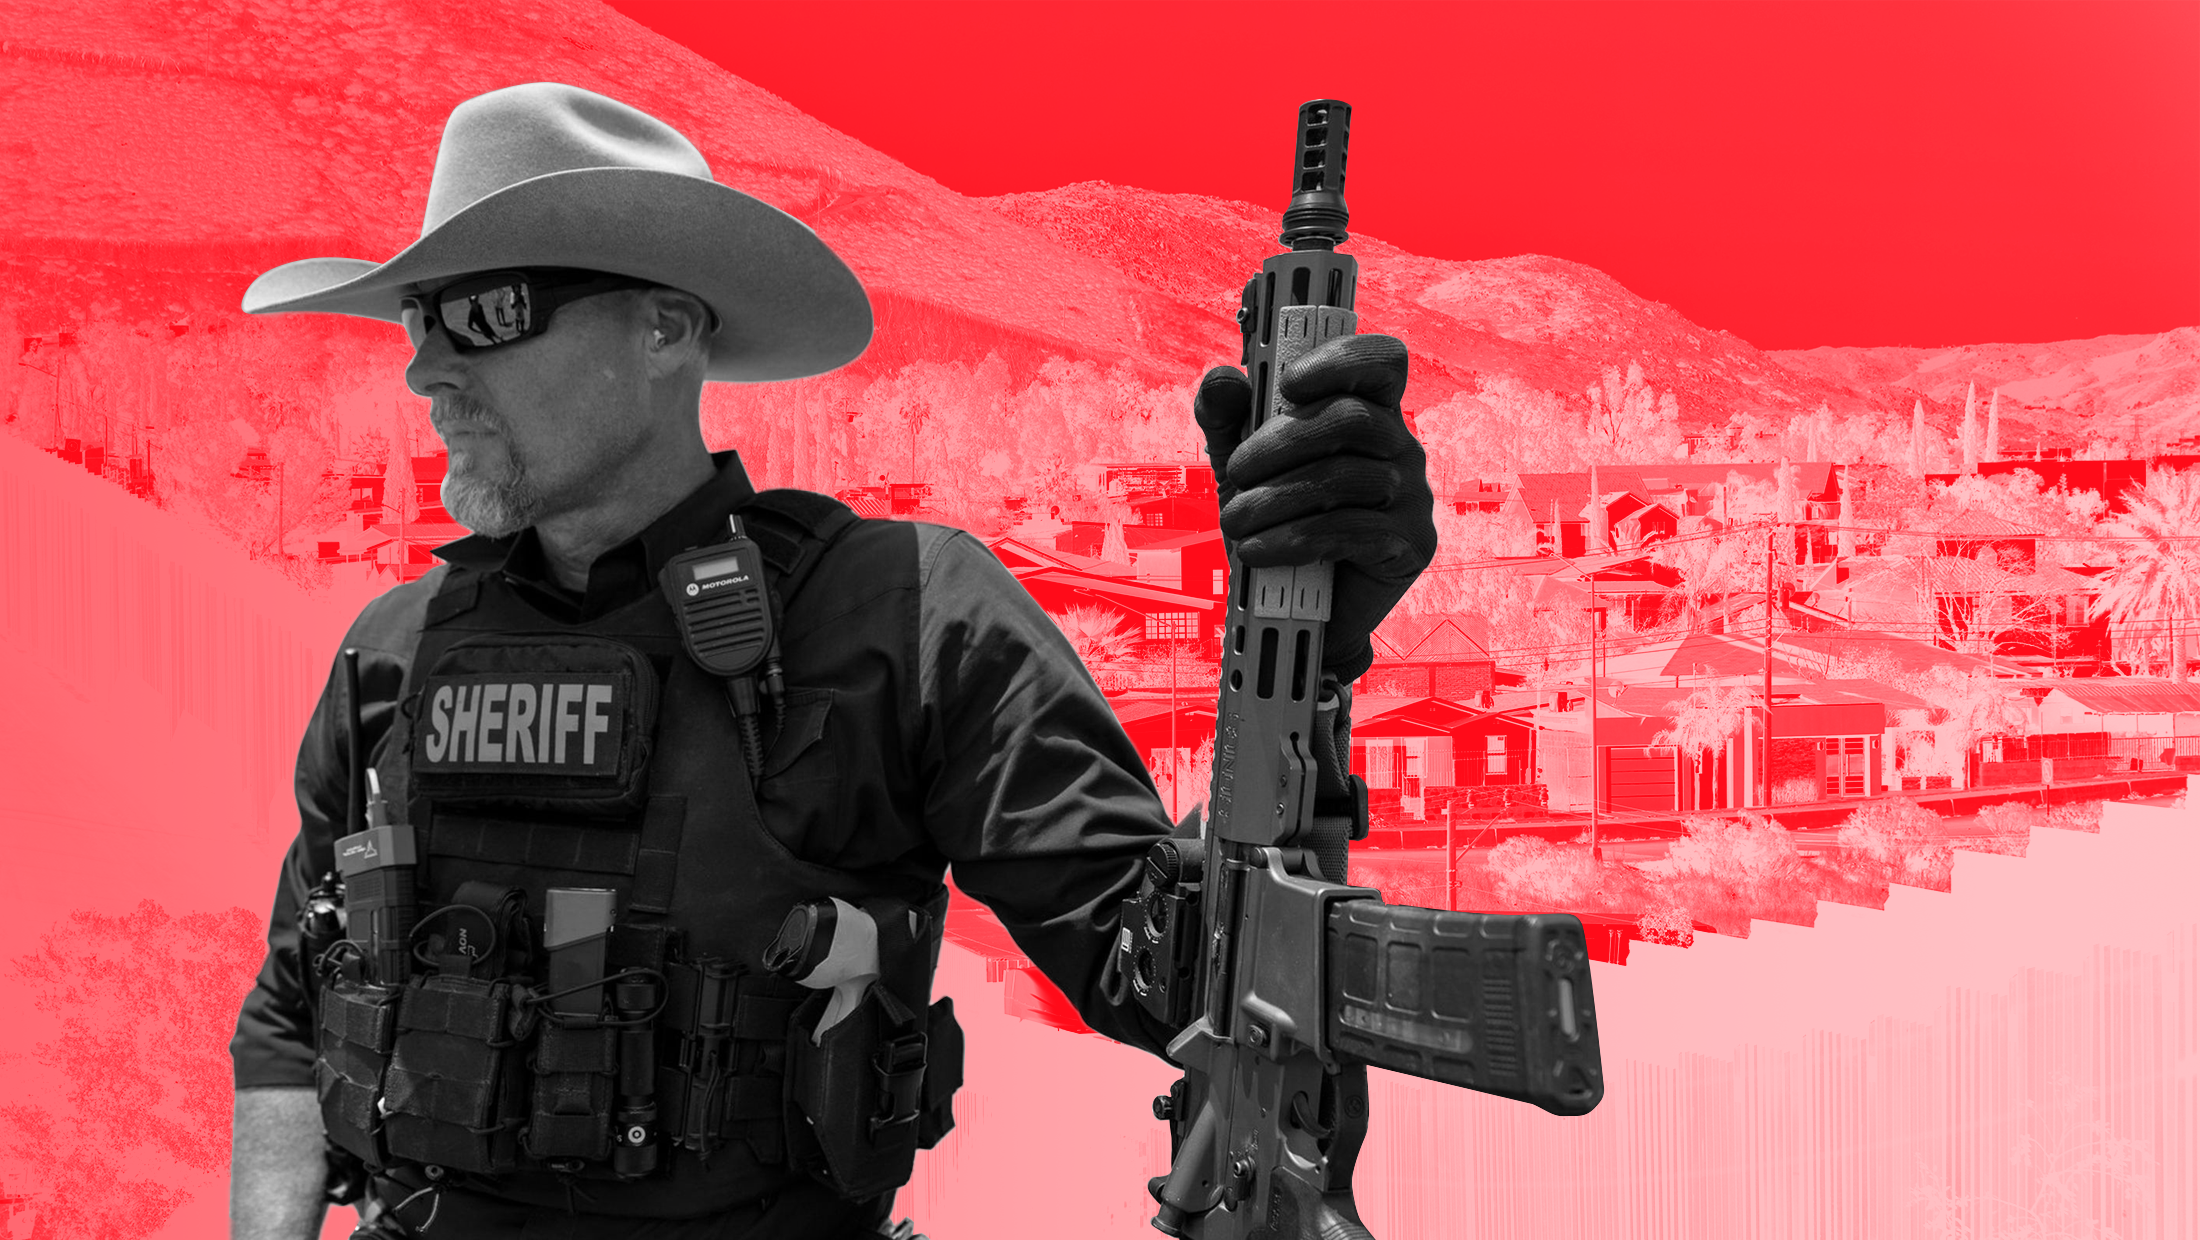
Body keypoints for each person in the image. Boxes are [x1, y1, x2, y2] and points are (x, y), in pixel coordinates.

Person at [228, 83, 1434, 1240]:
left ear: (666, 326)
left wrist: (1304, 654)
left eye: (484, 314)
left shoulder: (902, 612)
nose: (426, 369)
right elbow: (290, 1020)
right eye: (418, 320)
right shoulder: (394, 649)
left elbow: (1189, 986)